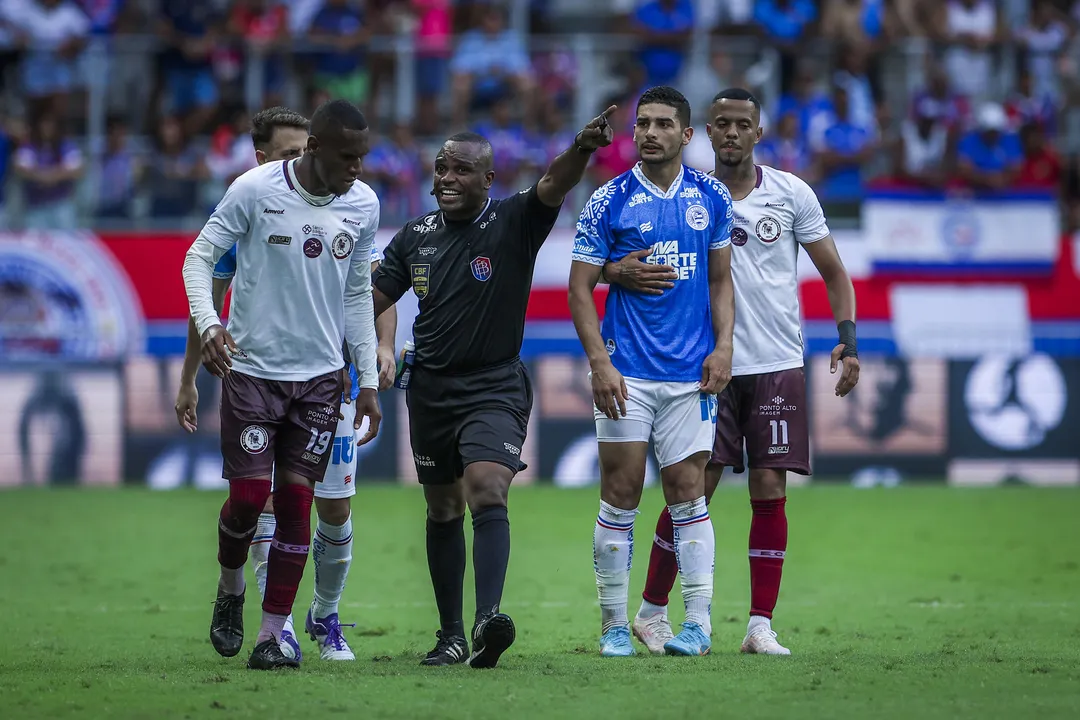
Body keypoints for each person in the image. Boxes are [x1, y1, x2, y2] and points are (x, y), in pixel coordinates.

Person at [605, 88, 860, 656]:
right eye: (721, 123)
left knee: (770, 489)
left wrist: (848, 342)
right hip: (705, 366)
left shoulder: (791, 194)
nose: (731, 133)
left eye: (742, 124)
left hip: (776, 365)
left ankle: (759, 625)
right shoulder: (689, 194)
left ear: (758, 132)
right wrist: (614, 272)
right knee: (693, 492)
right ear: (705, 132)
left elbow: (835, 274)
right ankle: (650, 611)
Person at [369, 110, 616, 669]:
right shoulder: (414, 237)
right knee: (441, 508)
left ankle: (488, 620)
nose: (447, 178)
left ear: (488, 179)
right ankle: (451, 634)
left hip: (494, 385)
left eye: (461, 170)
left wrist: (580, 147)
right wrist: (368, 350)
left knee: (486, 486)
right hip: (429, 389)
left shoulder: (515, 221)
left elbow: (554, 183)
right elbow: (373, 301)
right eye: (440, 168)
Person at [174, 105, 397, 663]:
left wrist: (366, 378)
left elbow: (354, 296)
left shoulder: (363, 203)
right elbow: (198, 259)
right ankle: (230, 588)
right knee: (249, 501)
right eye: (347, 157)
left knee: (299, 504)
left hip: (320, 380)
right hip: (253, 373)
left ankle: (273, 636)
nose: (357, 168)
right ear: (315, 147)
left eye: (362, 157)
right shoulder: (253, 189)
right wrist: (210, 325)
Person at [568, 85, 735, 658]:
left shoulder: (711, 197)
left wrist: (725, 347)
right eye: (642, 124)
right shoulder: (606, 200)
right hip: (627, 373)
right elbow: (579, 287)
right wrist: (599, 363)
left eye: (664, 124)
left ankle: (699, 624)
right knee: (620, 493)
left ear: (687, 135)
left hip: (691, 374)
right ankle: (616, 625)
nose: (650, 133)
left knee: (689, 493)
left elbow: (719, 281)